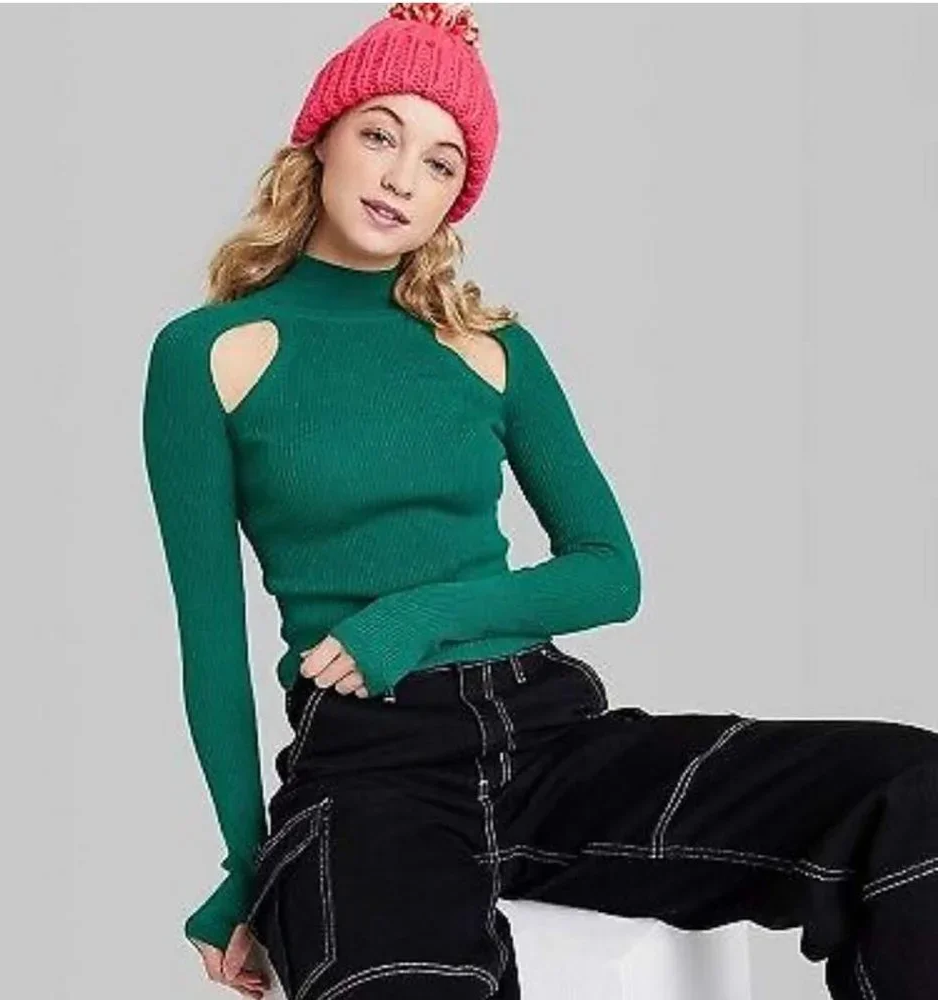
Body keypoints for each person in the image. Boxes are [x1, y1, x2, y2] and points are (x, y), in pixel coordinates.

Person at [141, 4, 938, 998]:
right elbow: (211, 642)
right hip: (373, 765)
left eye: (440, 162)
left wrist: (414, 616)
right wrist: (241, 863)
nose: (401, 178)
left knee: (914, 792)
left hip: (551, 737)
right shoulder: (207, 355)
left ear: (456, 195)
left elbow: (609, 572)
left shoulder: (491, 350)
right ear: (323, 138)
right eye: (380, 135)